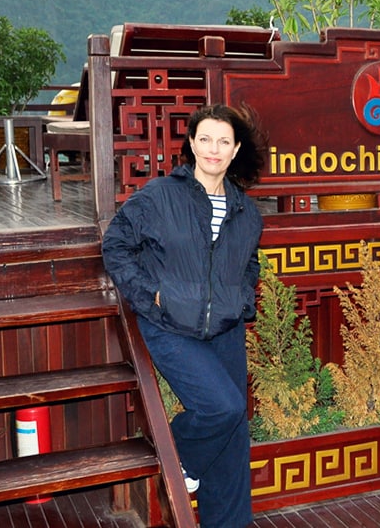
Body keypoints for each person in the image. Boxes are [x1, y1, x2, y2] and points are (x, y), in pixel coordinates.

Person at [101, 104, 266, 528]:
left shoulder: (247, 213)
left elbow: (249, 264)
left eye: (223, 141)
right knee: (222, 408)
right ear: (191, 144)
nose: (214, 149)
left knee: (233, 436)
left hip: (224, 328)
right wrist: (149, 296)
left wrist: (241, 299)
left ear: (235, 151)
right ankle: (181, 462)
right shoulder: (159, 197)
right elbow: (116, 245)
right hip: (172, 325)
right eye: (205, 139)